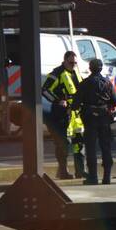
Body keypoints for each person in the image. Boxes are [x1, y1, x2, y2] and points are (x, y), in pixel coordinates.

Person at [74, 58, 116, 185]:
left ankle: (93, 177)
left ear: (90, 68)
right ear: (101, 68)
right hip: (104, 117)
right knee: (106, 146)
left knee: (91, 148)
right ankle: (107, 177)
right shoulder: (107, 83)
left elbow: (76, 103)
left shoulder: (85, 83)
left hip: (89, 118)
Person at [42, 51, 82, 179]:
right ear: (64, 61)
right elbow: (44, 90)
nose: (73, 65)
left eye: (75, 63)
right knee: (63, 142)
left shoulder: (75, 72)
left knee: (78, 142)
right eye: (71, 63)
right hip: (61, 113)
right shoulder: (57, 73)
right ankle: (63, 171)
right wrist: (57, 100)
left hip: (75, 114)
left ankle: (80, 171)